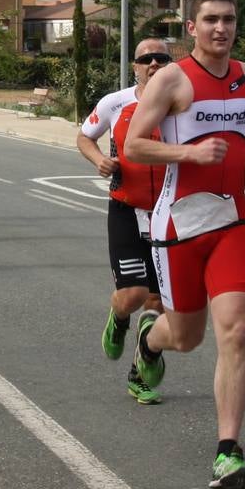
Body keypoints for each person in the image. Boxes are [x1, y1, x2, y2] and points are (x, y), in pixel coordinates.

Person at [123, 0, 245, 489]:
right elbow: (133, 147)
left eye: (228, 19)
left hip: (233, 220)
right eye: (210, 19)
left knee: (235, 331)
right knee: (186, 338)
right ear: (192, 27)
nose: (220, 28)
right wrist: (189, 155)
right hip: (179, 226)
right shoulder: (171, 79)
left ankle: (228, 452)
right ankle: (149, 341)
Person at [78, 38, 171, 405]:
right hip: (126, 211)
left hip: (168, 213)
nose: (154, 64)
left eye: (161, 58)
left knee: (159, 303)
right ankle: (118, 320)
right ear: (135, 66)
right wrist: (98, 159)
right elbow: (84, 137)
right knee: (132, 296)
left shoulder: (182, 105)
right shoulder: (116, 103)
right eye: (146, 59)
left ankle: (140, 372)